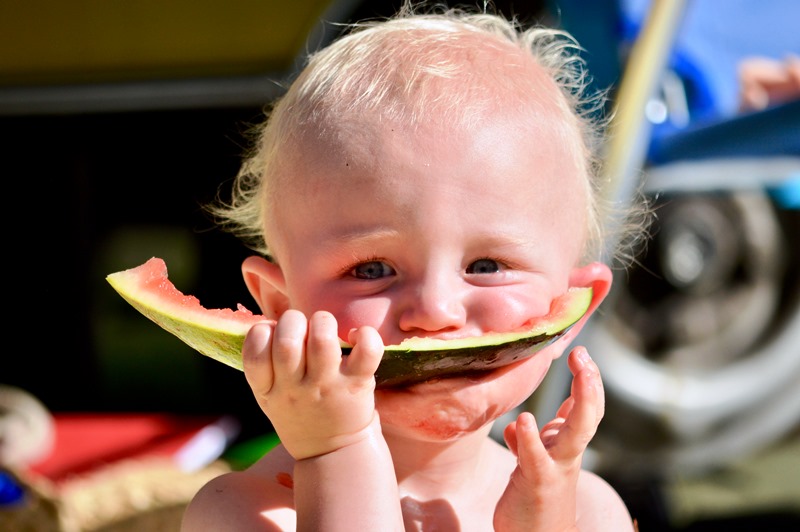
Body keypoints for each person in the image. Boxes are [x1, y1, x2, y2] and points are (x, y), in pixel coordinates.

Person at [181, 2, 639, 530]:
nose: (435, 311)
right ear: (282, 308)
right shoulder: (246, 512)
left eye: (487, 264)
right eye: (372, 269)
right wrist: (337, 452)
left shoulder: (589, 511)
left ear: (572, 309)